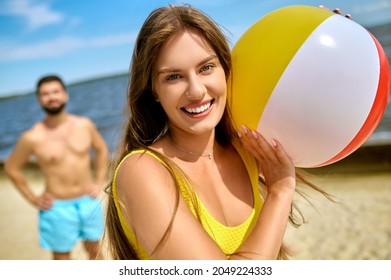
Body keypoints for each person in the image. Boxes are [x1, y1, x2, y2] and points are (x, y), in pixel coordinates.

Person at [104, 4, 343, 260]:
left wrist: (330, 43)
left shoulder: (246, 147)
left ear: (225, 69)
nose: (196, 91)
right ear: (153, 90)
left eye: (206, 68)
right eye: (173, 77)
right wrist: (279, 193)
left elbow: (312, 106)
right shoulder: (143, 171)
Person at [4, 75, 109, 260]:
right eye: (45, 94)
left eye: (55, 91)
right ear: (39, 100)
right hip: (57, 207)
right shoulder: (32, 137)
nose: (51, 97)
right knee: (62, 260)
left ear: (65, 95)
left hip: (88, 201)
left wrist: (99, 181)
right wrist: (33, 199)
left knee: (95, 251)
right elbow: (11, 167)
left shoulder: (84, 125)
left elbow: (101, 150)